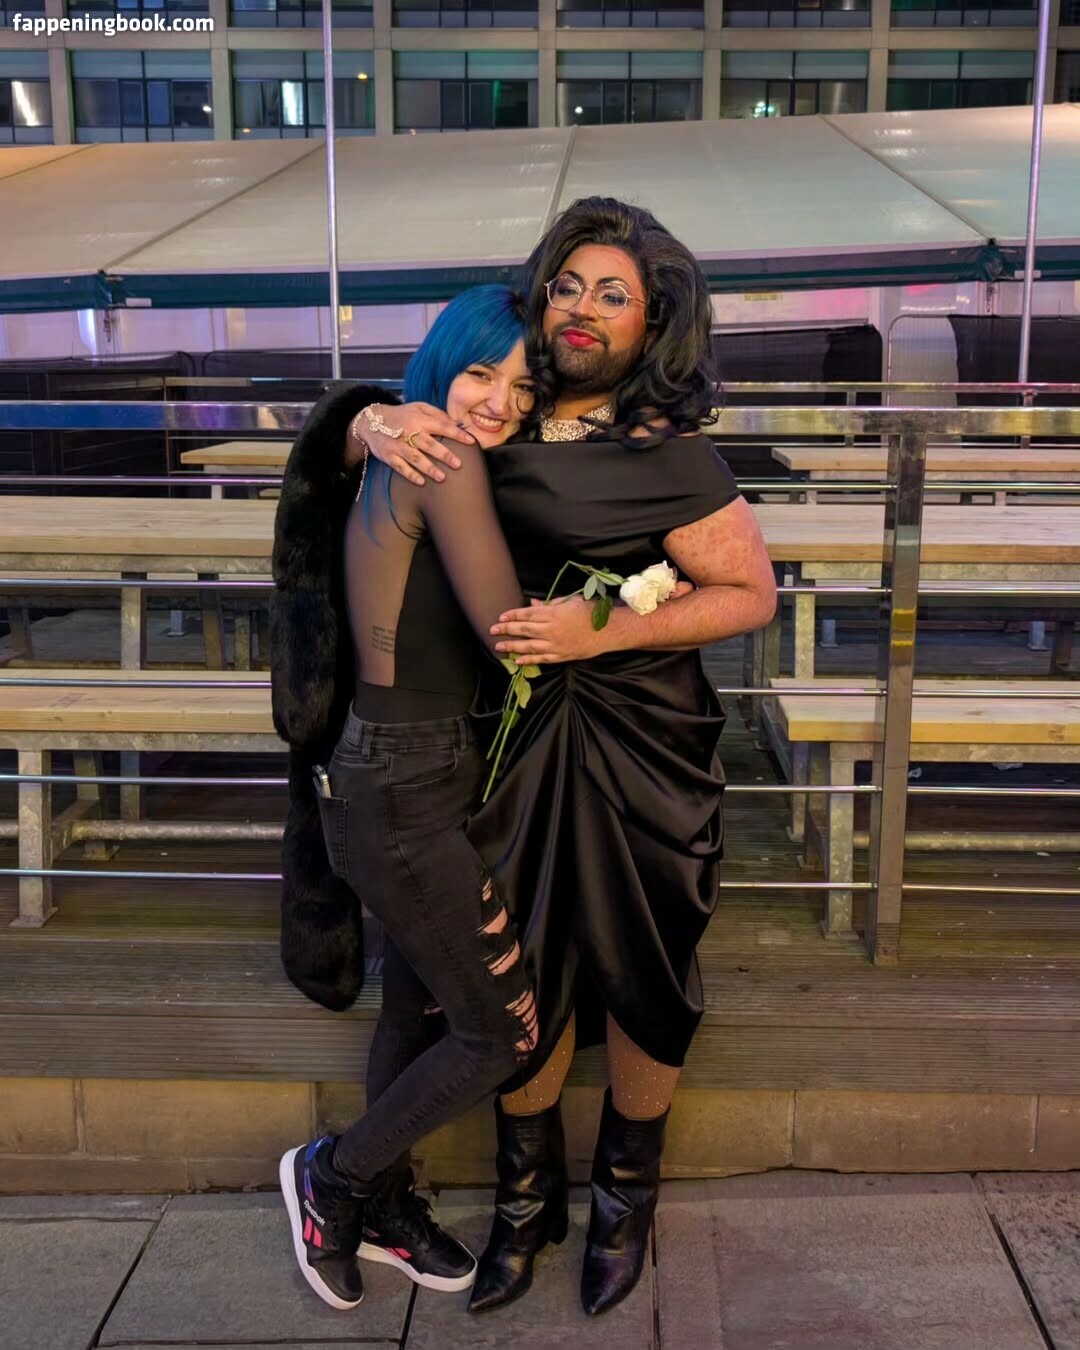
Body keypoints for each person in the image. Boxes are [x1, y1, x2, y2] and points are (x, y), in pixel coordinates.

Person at [275, 198, 776, 1318]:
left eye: (615, 294)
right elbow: (385, 443)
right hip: (499, 744)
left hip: (641, 743)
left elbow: (752, 593)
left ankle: (624, 1200)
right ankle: (523, 1201)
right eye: (569, 285)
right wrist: (365, 421)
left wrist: (605, 628)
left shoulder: (668, 452)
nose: (583, 308)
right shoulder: (491, 418)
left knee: (643, 964)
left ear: (653, 324)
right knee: (527, 965)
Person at [275, 286, 550, 1313]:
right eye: (482, 372)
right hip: (400, 782)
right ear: (441, 363)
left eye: (525, 385)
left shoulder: (398, 452)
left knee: (416, 1000)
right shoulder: (446, 460)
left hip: (392, 770)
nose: (501, 401)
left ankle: (384, 1204)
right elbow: (511, 631)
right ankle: (336, 1177)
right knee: (501, 1035)